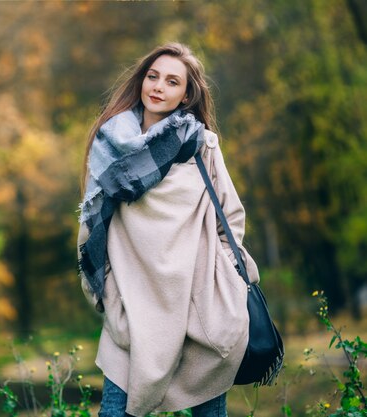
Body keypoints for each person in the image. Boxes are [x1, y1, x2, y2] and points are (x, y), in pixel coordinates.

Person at [77, 43, 261, 417]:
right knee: (115, 411)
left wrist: (223, 283)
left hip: (200, 310)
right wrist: (108, 294)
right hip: (134, 310)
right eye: (153, 76)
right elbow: (92, 225)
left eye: (172, 81)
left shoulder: (201, 145)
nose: (159, 86)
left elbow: (231, 217)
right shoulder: (108, 146)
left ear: (186, 95)